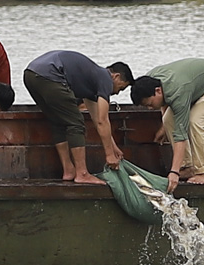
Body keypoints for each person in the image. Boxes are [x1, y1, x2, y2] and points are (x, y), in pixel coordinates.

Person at [23, 51, 134, 184]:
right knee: (76, 124)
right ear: (116, 76)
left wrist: (113, 147)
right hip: (51, 75)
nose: (116, 93)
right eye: (121, 88)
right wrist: (109, 155)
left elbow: (97, 119)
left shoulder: (91, 81)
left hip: (31, 74)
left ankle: (69, 170)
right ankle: (82, 174)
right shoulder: (105, 78)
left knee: (58, 121)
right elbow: (103, 120)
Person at [131, 59, 204, 189]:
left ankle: (203, 172)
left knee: (195, 122)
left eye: (150, 105)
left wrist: (174, 172)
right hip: (193, 87)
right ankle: (187, 167)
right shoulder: (149, 80)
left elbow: (181, 135)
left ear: (157, 91)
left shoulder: (178, 91)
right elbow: (165, 103)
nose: (150, 109)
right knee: (168, 119)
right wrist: (164, 127)